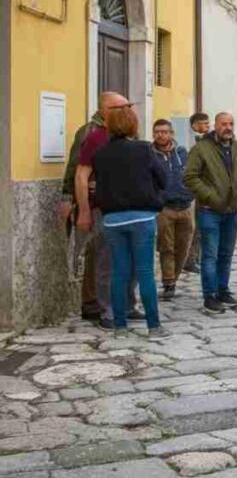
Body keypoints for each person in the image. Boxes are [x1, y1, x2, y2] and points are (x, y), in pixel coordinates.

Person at [91, 103, 168, 339]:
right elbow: (163, 179)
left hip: (113, 219)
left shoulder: (100, 154)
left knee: (119, 272)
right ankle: (154, 326)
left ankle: (120, 327)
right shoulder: (145, 149)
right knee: (145, 272)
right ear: (133, 125)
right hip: (142, 217)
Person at [75, 92, 141, 330]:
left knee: (133, 261)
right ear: (108, 111)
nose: (131, 110)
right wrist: (83, 210)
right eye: (125, 106)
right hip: (104, 208)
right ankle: (107, 310)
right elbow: (80, 175)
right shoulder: (94, 137)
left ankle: (127, 305)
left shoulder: (133, 136)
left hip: (134, 209)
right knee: (108, 262)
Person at [183, 112, 237, 315]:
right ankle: (209, 296)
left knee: (226, 255)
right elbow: (190, 177)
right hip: (209, 211)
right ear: (216, 125)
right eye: (224, 124)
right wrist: (211, 196)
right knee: (210, 255)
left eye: (231, 123)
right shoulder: (201, 149)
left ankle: (223, 290)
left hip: (231, 211)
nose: (228, 127)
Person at [61, 106, 105, 321]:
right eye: (123, 107)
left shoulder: (117, 131)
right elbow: (75, 168)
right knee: (94, 252)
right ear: (107, 109)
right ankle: (90, 303)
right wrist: (68, 197)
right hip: (92, 202)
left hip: (110, 202)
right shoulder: (88, 132)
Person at [152, 119, 194, 301]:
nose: (160, 135)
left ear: (171, 134)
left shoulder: (182, 153)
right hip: (164, 208)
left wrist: (192, 193)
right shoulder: (150, 154)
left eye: (164, 131)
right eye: (157, 132)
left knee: (183, 247)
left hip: (185, 206)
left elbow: (193, 174)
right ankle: (169, 283)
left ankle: (174, 278)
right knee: (166, 247)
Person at [181, 112, 210, 274]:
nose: (208, 126)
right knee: (193, 228)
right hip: (191, 190)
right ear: (195, 124)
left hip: (201, 189)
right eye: (205, 123)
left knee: (199, 227)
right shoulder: (188, 140)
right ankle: (190, 259)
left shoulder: (204, 139)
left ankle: (194, 258)